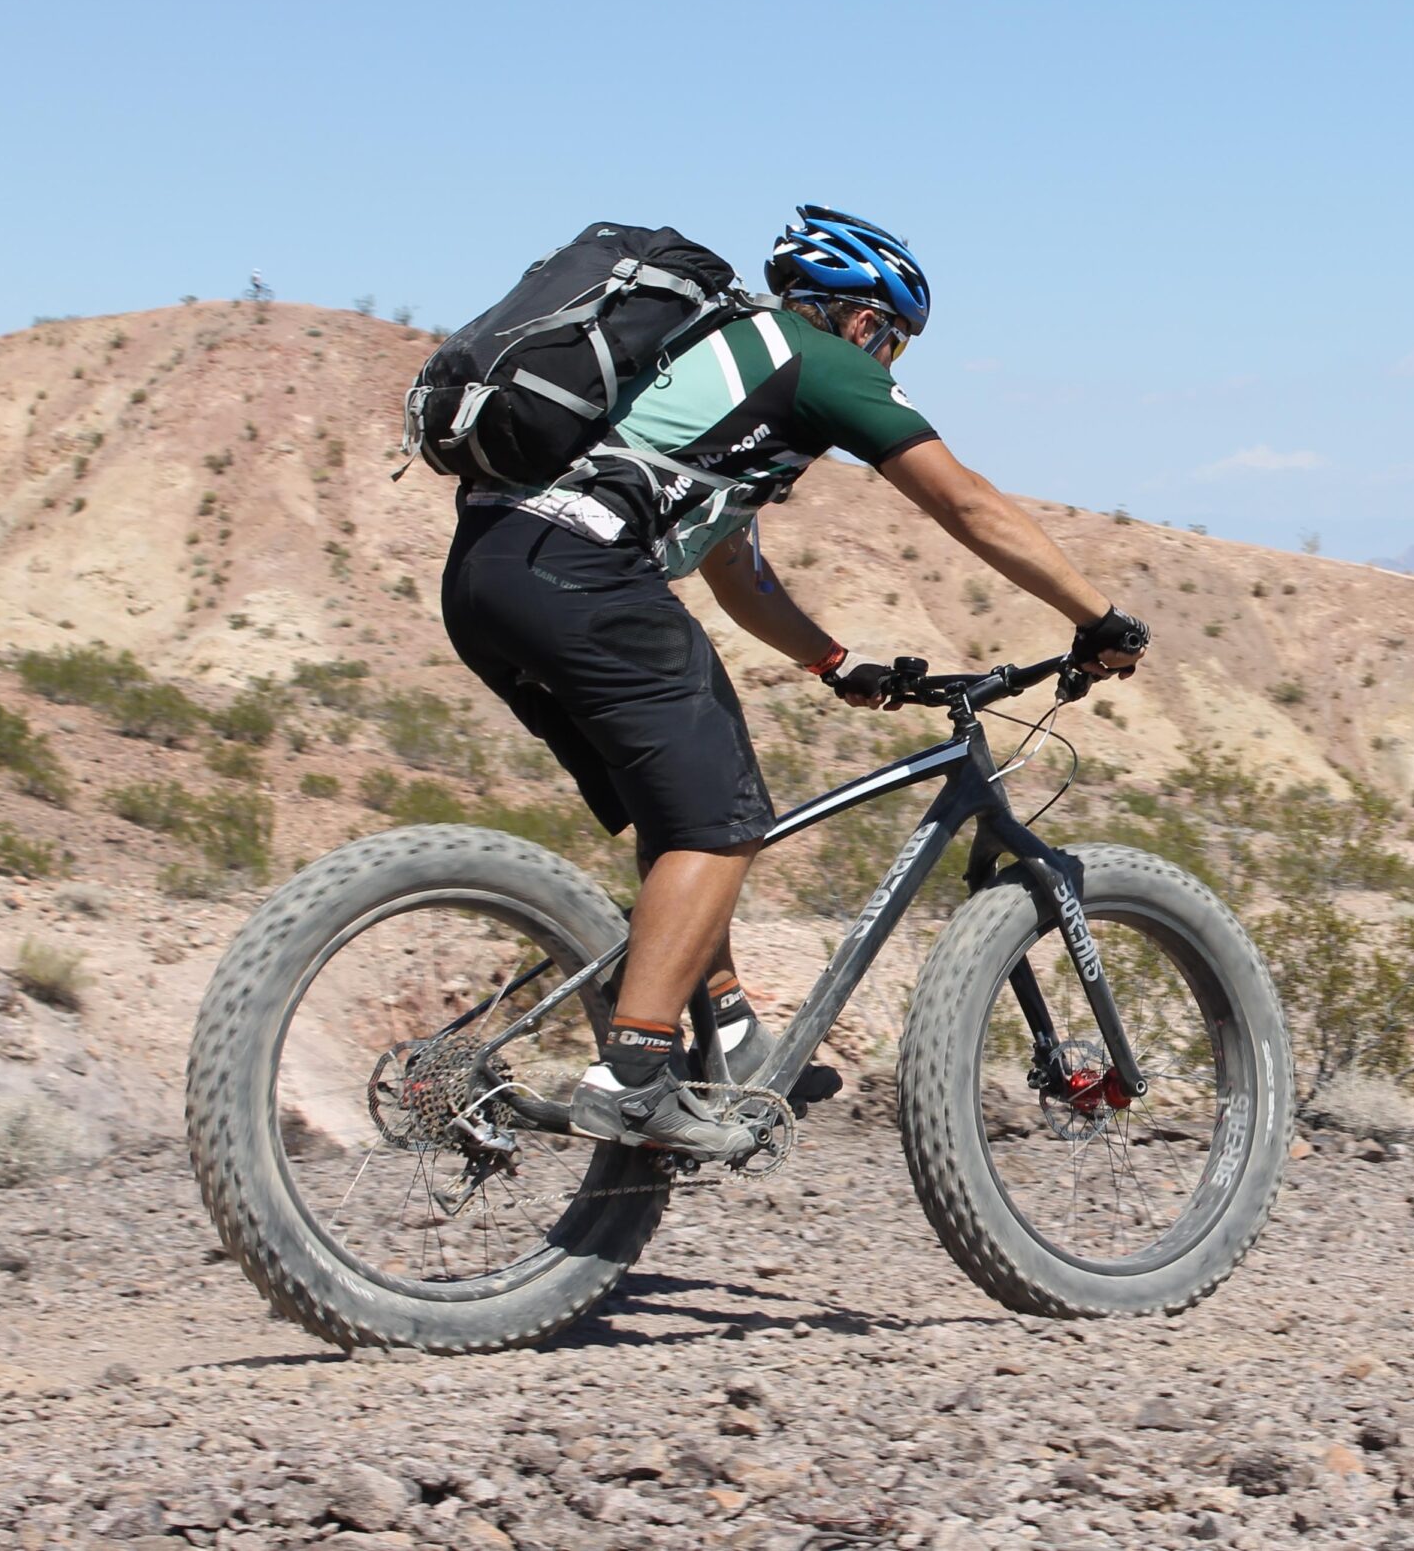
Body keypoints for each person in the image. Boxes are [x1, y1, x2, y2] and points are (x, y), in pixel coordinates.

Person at [439, 207, 1149, 1156]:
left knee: (682, 809)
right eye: (894, 340)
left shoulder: (722, 371)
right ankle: (635, 1076)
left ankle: (728, 1035)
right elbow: (964, 499)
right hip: (582, 573)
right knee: (720, 818)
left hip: (490, 574)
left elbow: (737, 571)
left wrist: (832, 661)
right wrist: (1096, 616)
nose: (891, 364)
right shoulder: (818, 358)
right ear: (862, 319)